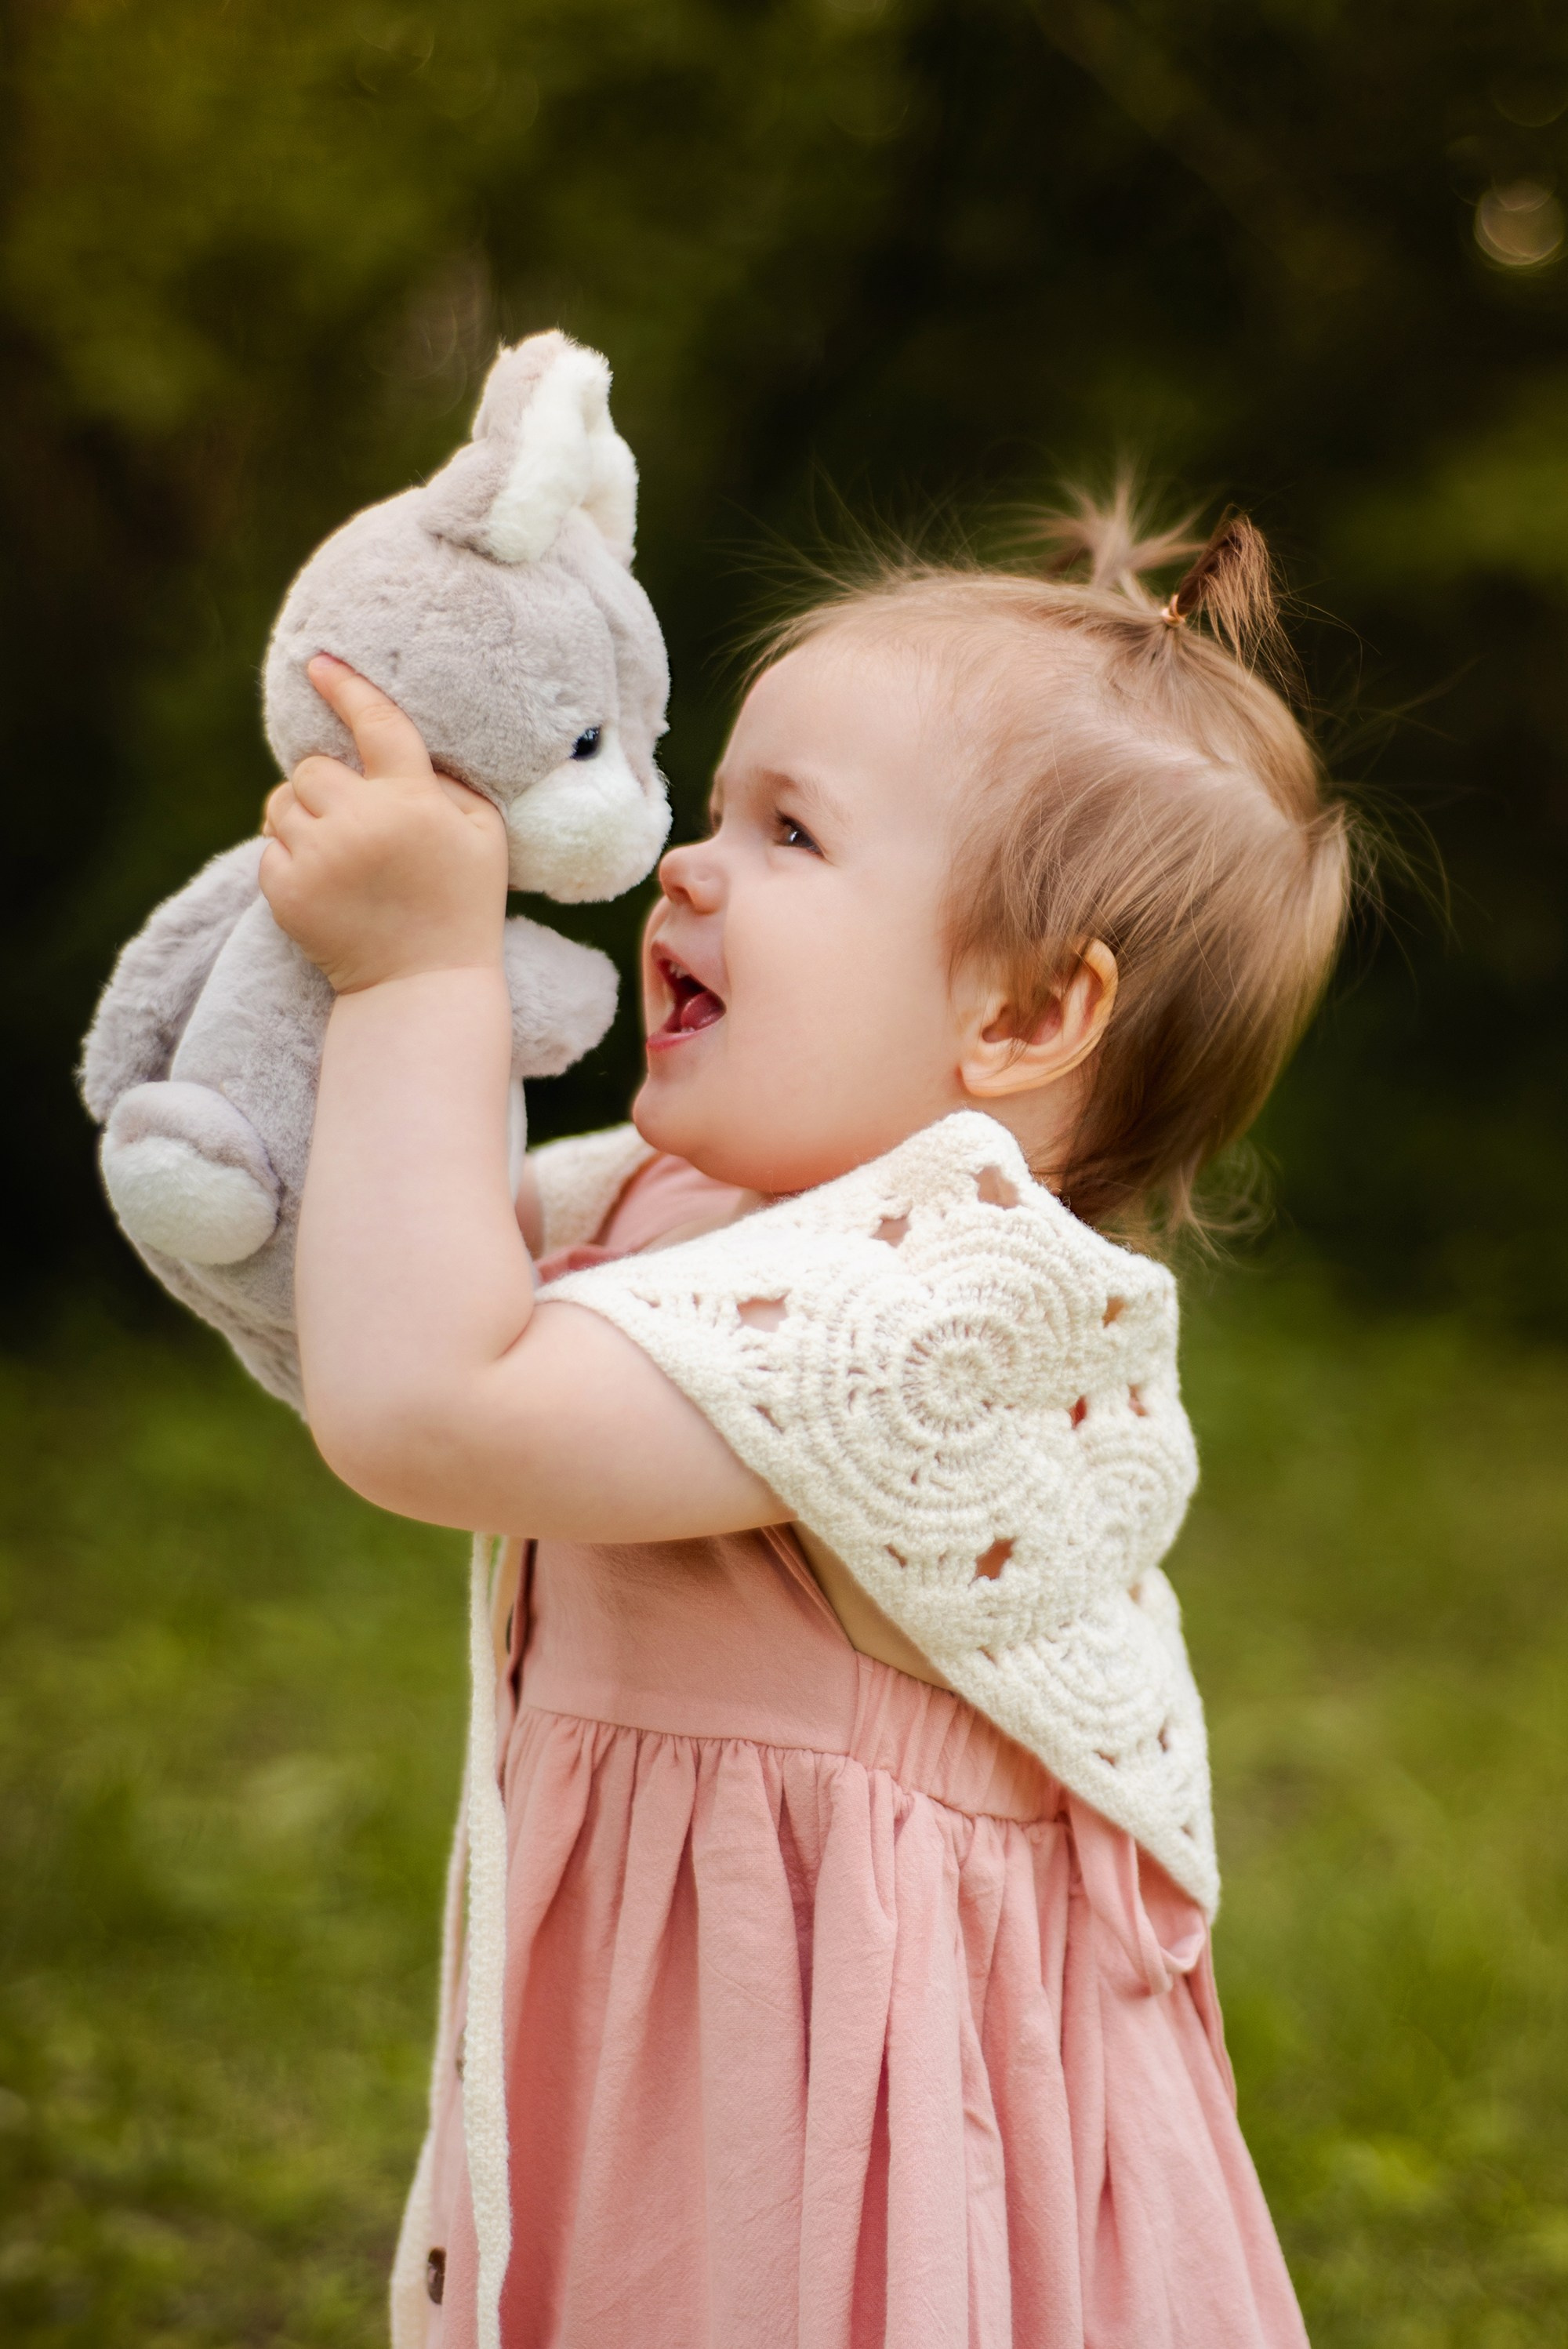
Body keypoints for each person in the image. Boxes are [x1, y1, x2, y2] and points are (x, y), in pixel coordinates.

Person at [259, 495, 1351, 2349]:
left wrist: (420, 974)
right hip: (691, 2035)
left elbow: (425, 1397)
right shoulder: (706, 1214)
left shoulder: (926, 1310)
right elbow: (382, 1266)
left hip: (839, 2125)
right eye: (712, 809)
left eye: (789, 833)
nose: (688, 867)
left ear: (1020, 1012)